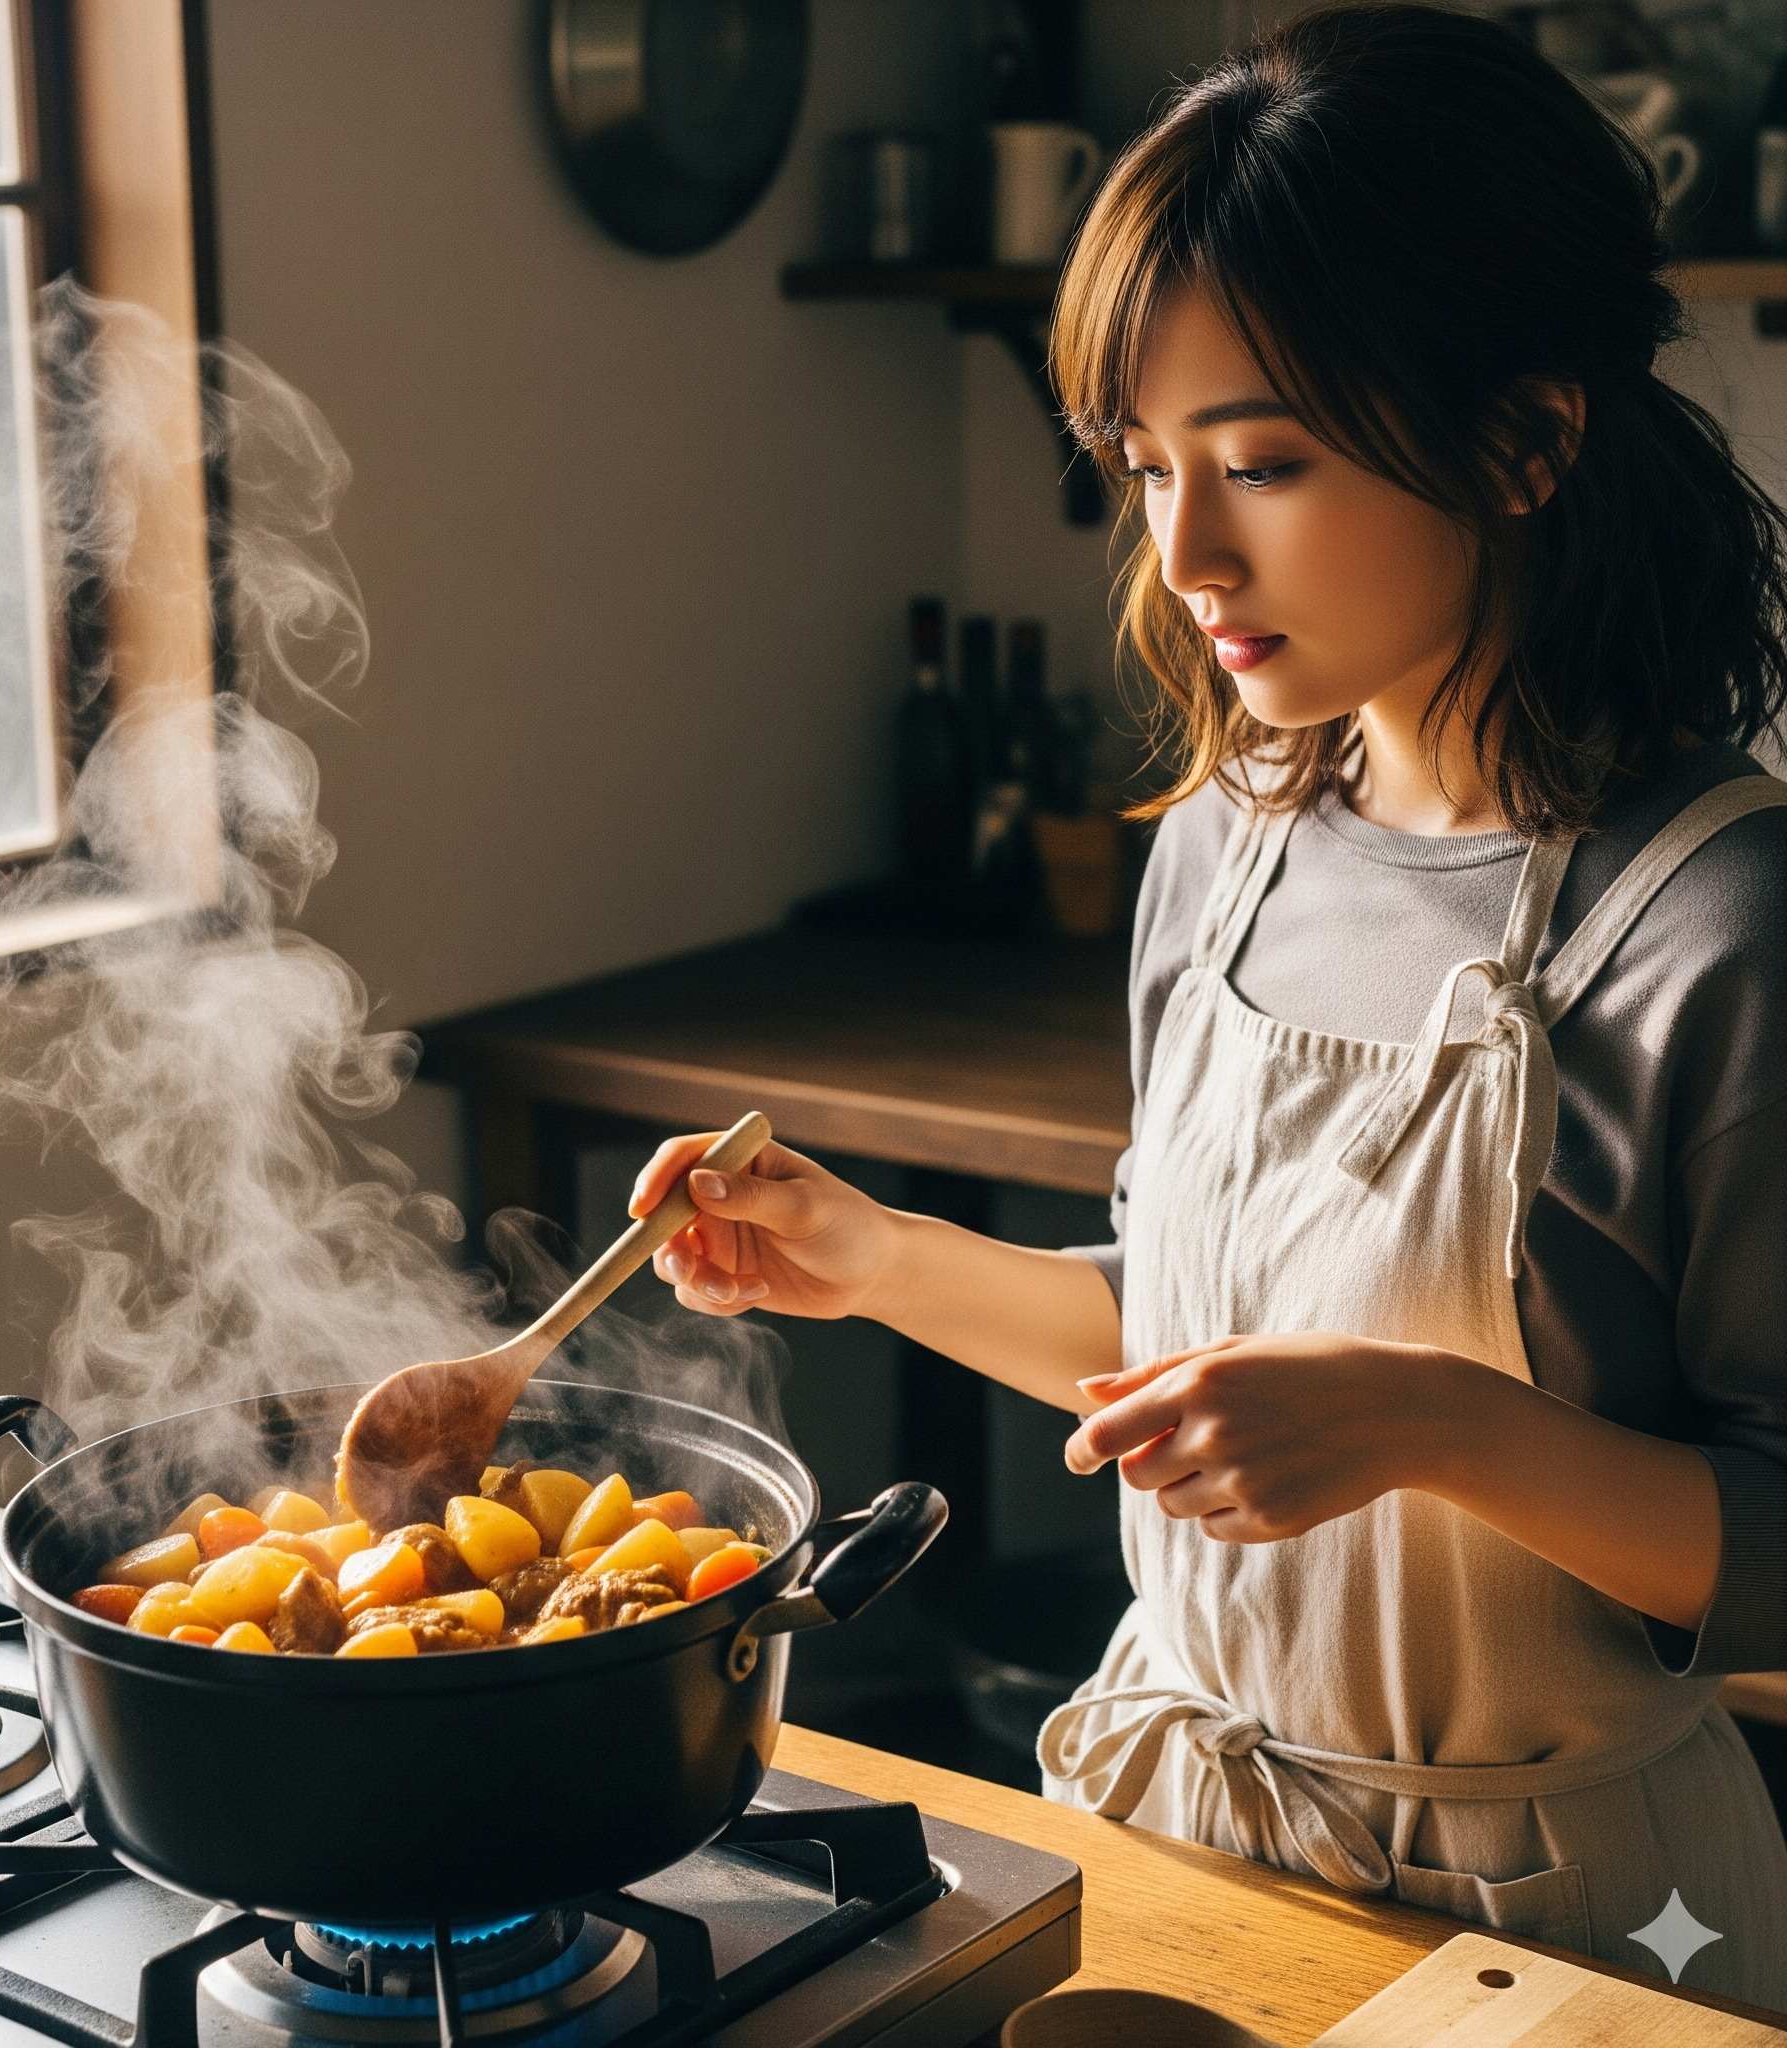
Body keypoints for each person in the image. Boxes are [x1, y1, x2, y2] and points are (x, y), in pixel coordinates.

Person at [628, 0, 1787, 2009]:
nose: (1181, 551)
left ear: (1527, 440)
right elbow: (1192, 1348)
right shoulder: (1227, 836)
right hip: (1187, 1844)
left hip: (1570, 1922)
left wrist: (1436, 1425)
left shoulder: (1720, 921)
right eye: (1142, 465)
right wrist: (873, 1254)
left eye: (1261, 462)